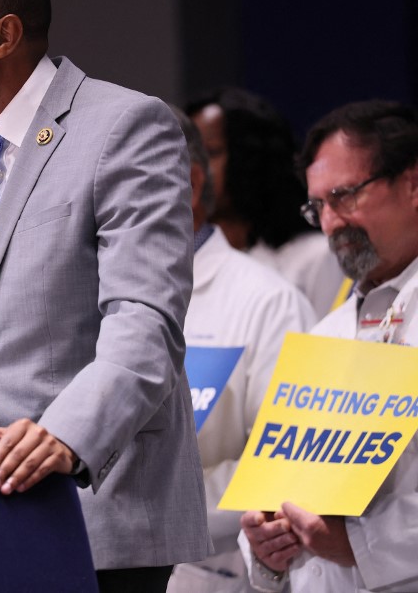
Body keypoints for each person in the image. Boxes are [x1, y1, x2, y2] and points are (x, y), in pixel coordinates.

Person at [0, 0, 208, 591]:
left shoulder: (123, 127)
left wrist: (64, 436)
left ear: (3, 36)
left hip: (98, 520)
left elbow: (145, 322)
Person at [239, 100, 418, 592]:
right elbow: (276, 488)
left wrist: (363, 544)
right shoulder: (323, 337)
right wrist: (265, 545)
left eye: (344, 196)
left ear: (413, 183)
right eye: (317, 205)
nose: (331, 223)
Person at [167, 109, 316, 593]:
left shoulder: (269, 303)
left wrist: (141, 509)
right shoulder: (86, 302)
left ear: (189, 186)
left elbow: (285, 469)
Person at [186, 88, 344, 317]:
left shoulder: (314, 258)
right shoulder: (182, 262)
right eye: (187, 154)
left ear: (251, 158)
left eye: (210, 153)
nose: (193, 170)